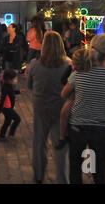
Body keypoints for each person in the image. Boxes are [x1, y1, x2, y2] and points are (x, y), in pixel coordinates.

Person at [66, 34, 105, 184]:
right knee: (99, 171)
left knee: (75, 169)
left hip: (77, 127)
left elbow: (66, 94)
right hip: (102, 128)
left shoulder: (78, 74)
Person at [27, 31, 70, 184]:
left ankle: (38, 176)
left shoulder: (34, 64)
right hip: (61, 108)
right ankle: (62, 178)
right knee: (61, 146)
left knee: (39, 143)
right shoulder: (68, 64)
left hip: (41, 107)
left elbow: (29, 85)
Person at [0, 69, 21, 141]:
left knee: (7, 121)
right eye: (14, 79)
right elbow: (2, 99)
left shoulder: (8, 85)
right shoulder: (6, 87)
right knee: (17, 119)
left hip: (8, 107)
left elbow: (12, 93)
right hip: (7, 108)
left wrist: (18, 92)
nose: (15, 80)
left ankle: (2, 135)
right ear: (9, 79)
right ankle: (11, 134)